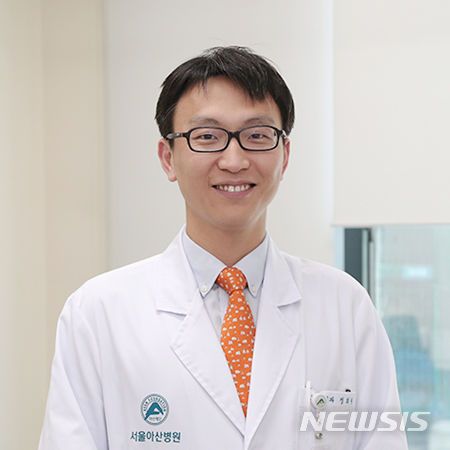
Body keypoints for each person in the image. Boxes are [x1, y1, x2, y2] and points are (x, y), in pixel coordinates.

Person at [39, 46, 408, 449]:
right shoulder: (97, 313)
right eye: (207, 137)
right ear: (167, 158)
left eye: (257, 136)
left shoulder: (345, 307)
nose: (234, 160)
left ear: (284, 156)